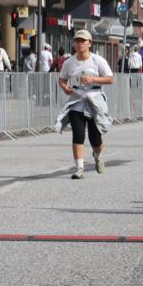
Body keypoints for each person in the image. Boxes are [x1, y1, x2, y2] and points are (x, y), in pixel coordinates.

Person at [56, 29, 114, 179]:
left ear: (90, 43)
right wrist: (65, 88)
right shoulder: (69, 62)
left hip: (94, 99)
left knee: (95, 137)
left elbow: (110, 78)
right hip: (77, 99)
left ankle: (97, 156)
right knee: (78, 134)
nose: (80, 43)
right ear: (74, 44)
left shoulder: (97, 60)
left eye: (83, 41)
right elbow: (61, 79)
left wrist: (92, 80)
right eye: (77, 41)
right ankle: (79, 168)